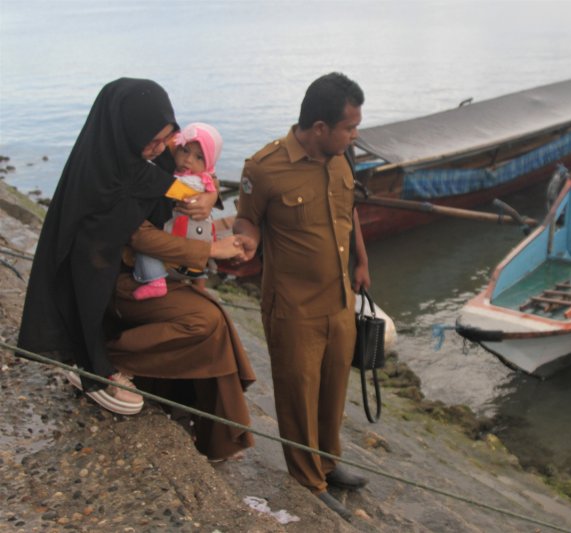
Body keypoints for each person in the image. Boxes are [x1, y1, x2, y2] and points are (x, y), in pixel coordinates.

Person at [18, 78, 255, 461]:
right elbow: (139, 237)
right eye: (154, 140)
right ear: (129, 129)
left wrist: (209, 195)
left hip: (150, 275)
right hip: (109, 285)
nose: (162, 150)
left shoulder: (146, 160)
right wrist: (211, 249)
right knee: (205, 322)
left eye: (167, 141)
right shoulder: (105, 176)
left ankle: (217, 441)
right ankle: (97, 362)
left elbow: (181, 185)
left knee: (216, 323)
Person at [232, 72, 370, 520]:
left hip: (340, 301)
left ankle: (328, 463)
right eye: (349, 127)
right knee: (298, 393)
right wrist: (247, 241)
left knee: (333, 389)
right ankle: (307, 480)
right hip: (293, 308)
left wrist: (362, 265)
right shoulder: (264, 168)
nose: (355, 134)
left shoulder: (341, 157)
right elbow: (246, 220)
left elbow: (348, 213)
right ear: (319, 128)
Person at [132, 122, 223, 300]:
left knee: (150, 248)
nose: (188, 160)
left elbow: (168, 187)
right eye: (184, 151)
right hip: (198, 239)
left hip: (182, 238)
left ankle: (155, 279)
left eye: (199, 157)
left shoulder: (188, 181)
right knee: (200, 263)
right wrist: (213, 194)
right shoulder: (205, 178)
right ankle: (200, 287)